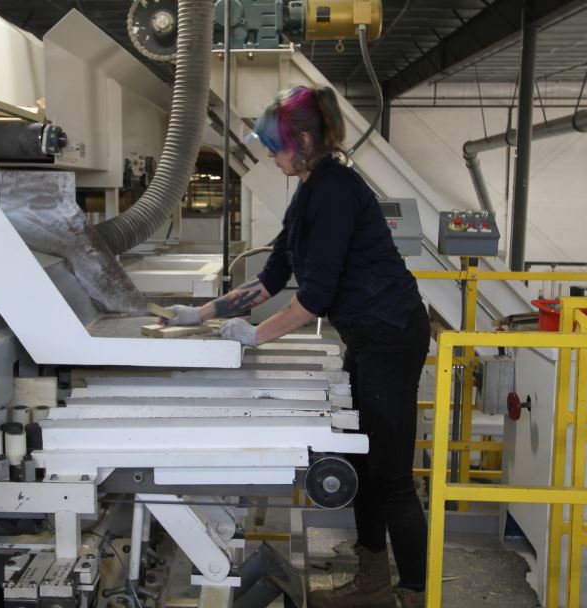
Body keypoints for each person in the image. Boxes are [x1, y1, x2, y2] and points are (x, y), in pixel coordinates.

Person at [165, 85, 430, 608]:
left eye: (275, 146)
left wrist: (254, 335)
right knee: (364, 464)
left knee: (392, 477)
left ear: (304, 142)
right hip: (366, 335)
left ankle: (413, 595)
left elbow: (314, 298)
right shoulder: (309, 190)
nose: (270, 154)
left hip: (391, 335)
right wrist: (201, 314)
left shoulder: (336, 191)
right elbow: (273, 275)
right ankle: (373, 582)